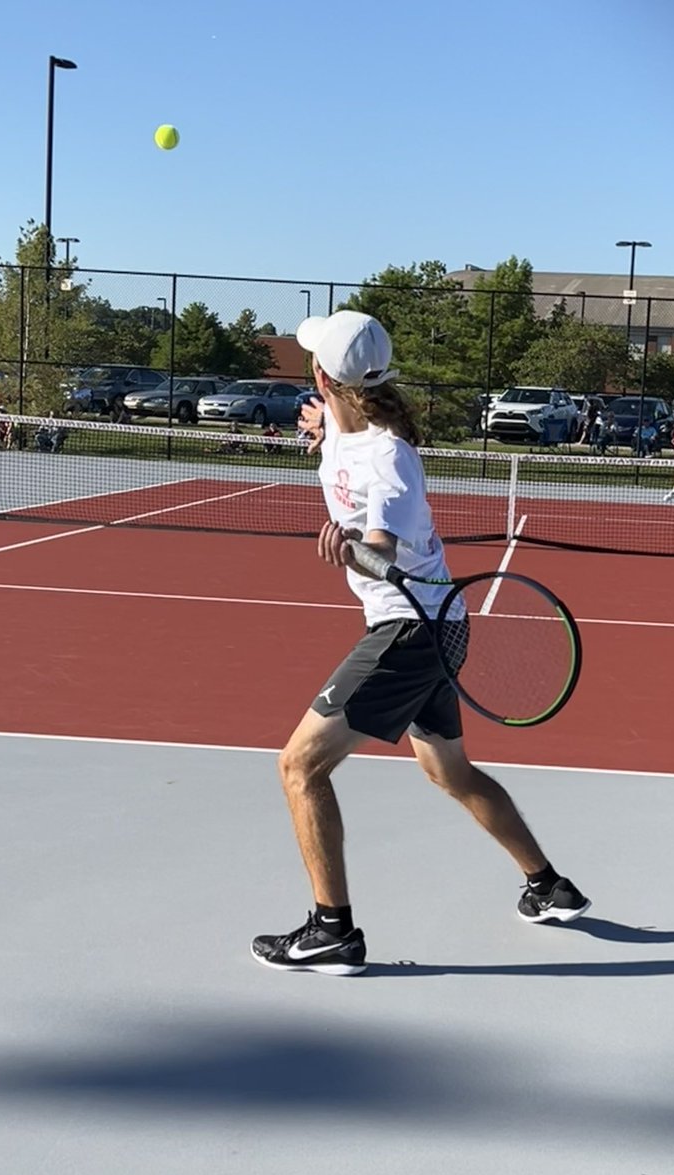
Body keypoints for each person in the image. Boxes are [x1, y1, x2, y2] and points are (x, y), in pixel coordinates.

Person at [250, 310, 590, 976]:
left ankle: (332, 931)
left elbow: (384, 548)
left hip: (408, 632)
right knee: (450, 772)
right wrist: (325, 427)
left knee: (298, 768)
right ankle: (548, 886)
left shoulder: (389, 456)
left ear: (322, 373)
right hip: (437, 629)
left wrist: (349, 548)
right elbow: (339, 440)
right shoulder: (345, 433)